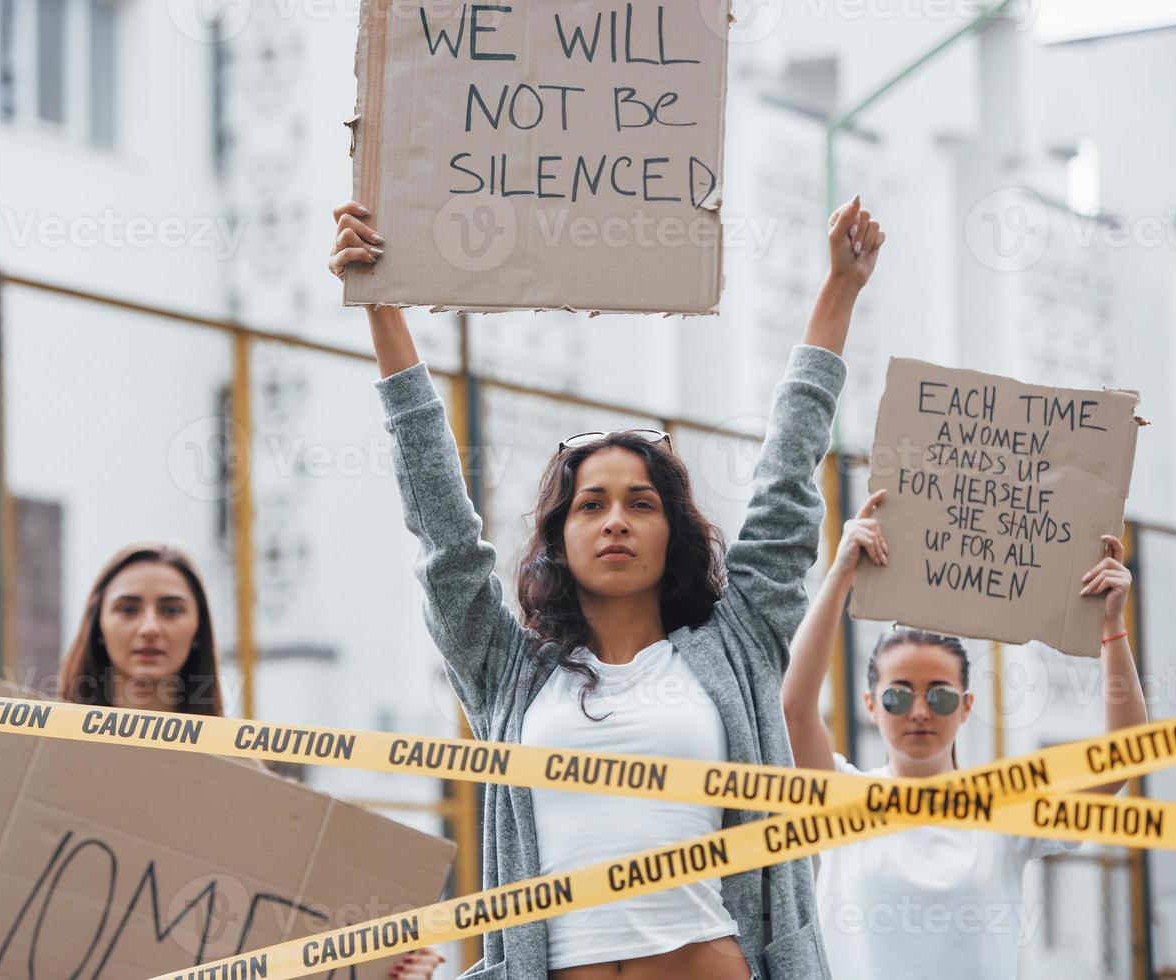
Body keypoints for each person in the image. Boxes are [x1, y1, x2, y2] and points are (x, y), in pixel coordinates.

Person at [329, 195, 885, 979]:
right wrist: (382, 305)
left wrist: (837, 293)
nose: (615, 521)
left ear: (673, 533)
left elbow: (787, 483)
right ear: (559, 537)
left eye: (641, 503)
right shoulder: (507, 672)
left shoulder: (738, 643)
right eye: (590, 505)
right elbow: (442, 533)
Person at [0, 542, 444, 980]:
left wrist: (394, 961)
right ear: (100, 625)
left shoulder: (249, 782)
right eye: (128, 608)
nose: (150, 626)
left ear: (197, 630)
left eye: (172, 609)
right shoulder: (22, 752)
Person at [780, 492, 1149, 979]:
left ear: (967, 706)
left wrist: (1111, 627)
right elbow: (794, 709)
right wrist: (840, 575)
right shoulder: (842, 798)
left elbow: (1122, 759)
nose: (918, 712)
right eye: (897, 696)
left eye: (940, 696)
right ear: (870, 706)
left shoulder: (1005, 809)